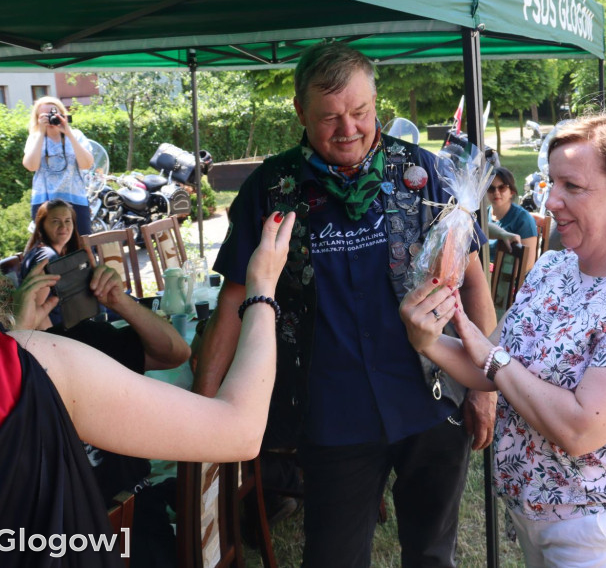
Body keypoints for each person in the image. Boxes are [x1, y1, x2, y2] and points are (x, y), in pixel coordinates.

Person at [192, 41, 496, 568]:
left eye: (361, 112)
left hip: (431, 401)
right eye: (329, 117)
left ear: (377, 103)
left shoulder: (423, 175)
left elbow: (474, 284)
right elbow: (232, 304)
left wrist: (482, 386)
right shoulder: (273, 189)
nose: (349, 129)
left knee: (431, 553)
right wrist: (205, 411)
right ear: (299, 112)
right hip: (332, 415)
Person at [0, 146, 294, 565]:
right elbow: (239, 431)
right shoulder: (20, 365)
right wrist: (261, 289)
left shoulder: (55, 349)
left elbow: (174, 351)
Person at [401, 114, 606, 567]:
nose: (551, 200)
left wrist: (495, 361)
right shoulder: (555, 268)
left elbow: (579, 429)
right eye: (550, 182)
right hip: (536, 519)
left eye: (572, 187)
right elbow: (487, 370)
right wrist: (426, 339)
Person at [15, 259, 190, 567]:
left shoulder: (87, 338)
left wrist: (121, 302)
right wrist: (16, 336)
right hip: (67, 539)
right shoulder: (0, 372)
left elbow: (176, 352)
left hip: (137, 516)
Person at [22, 96, 95, 236]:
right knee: (49, 249)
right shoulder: (34, 138)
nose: (50, 118)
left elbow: (87, 164)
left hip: (75, 200)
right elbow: (31, 166)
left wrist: (67, 132)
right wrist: (41, 133)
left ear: (62, 115)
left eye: (53, 114)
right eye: (44, 115)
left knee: (82, 246)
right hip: (44, 202)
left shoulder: (76, 135)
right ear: (37, 118)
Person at [488, 166, 538, 278]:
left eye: (502, 188)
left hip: (507, 282)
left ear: (512, 191)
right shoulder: (482, 215)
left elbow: (527, 266)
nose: (496, 192)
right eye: (491, 188)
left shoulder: (524, 220)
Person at [19, 198, 82, 281]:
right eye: (55, 221)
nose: (63, 226)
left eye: (67, 221)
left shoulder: (43, 251)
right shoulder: (48, 257)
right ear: (42, 225)